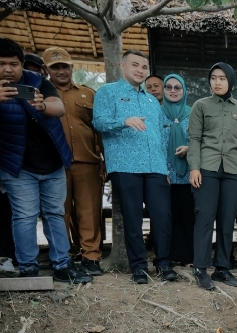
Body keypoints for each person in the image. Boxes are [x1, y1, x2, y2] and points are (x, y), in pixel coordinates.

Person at [0, 38, 91, 284]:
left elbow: (58, 107)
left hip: (53, 162)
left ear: (21, 65)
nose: (8, 69)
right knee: (25, 216)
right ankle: (28, 268)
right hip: (17, 167)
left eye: (14, 64)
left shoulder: (38, 81)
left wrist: (42, 105)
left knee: (54, 213)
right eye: (2, 64)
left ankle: (62, 265)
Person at [94, 50, 176, 283]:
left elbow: (161, 136)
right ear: (122, 66)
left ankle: (163, 263)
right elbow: (98, 122)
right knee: (132, 218)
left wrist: (166, 168)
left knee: (162, 216)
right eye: (135, 65)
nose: (140, 70)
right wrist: (123, 121)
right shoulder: (107, 92)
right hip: (125, 165)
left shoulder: (152, 100)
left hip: (156, 167)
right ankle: (138, 267)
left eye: (144, 67)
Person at [188, 62, 237, 290]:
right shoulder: (201, 106)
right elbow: (194, 139)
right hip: (207, 168)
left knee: (227, 219)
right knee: (204, 217)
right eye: (213, 78)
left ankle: (222, 268)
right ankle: (200, 268)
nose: (217, 82)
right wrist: (194, 167)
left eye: (222, 78)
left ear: (230, 81)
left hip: (234, 170)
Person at [44, 46, 105, 276]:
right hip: (54, 165)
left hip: (87, 162)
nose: (61, 71)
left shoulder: (88, 94)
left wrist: (104, 158)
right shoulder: (42, 95)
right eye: (55, 67)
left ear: (72, 67)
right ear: (47, 70)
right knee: (60, 212)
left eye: (64, 66)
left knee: (89, 212)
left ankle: (91, 257)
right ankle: (64, 256)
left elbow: (99, 130)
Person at [161, 74, 194, 267]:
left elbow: (200, 140)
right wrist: (162, 171)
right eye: (169, 87)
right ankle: (171, 255)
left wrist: (190, 149)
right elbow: (154, 143)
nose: (173, 91)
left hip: (190, 175)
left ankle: (189, 257)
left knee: (189, 215)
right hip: (165, 174)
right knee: (168, 216)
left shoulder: (193, 113)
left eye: (177, 87)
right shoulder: (157, 113)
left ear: (184, 90)